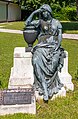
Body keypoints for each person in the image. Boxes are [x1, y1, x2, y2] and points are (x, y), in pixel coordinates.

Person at [25, 4, 65, 102]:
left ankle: (49, 86)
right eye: (43, 12)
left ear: (50, 12)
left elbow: (60, 36)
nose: (44, 13)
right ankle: (44, 88)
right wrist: (35, 12)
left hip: (53, 46)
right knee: (35, 61)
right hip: (41, 47)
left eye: (46, 11)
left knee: (53, 67)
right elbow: (27, 23)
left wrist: (57, 46)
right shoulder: (40, 22)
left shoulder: (57, 22)